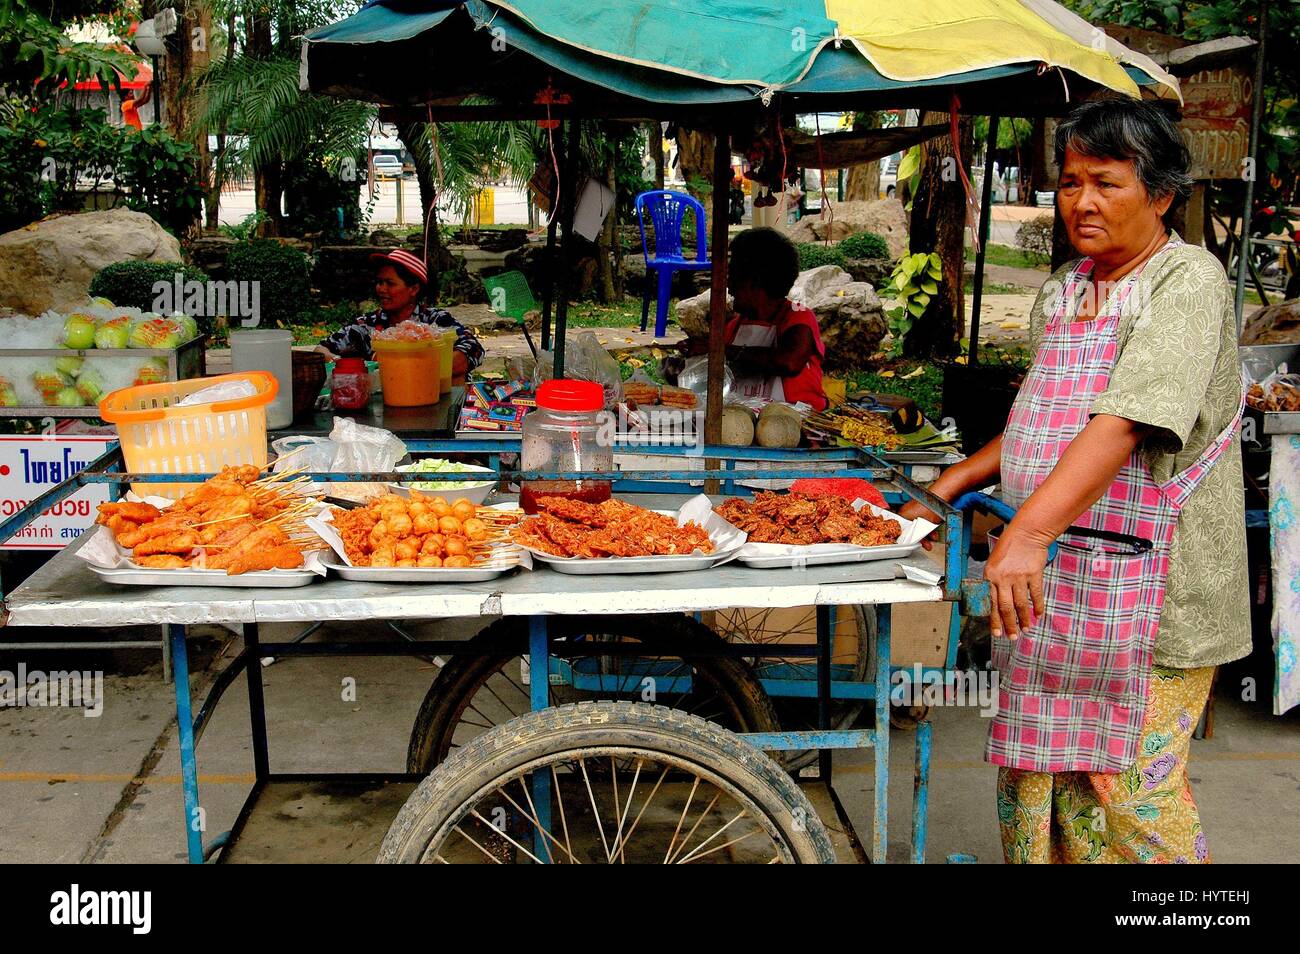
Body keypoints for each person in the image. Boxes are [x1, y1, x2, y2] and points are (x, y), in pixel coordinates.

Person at [900, 98, 1249, 864]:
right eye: (1068, 182)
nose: (1081, 202)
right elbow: (1045, 417)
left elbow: (1125, 421)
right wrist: (952, 480)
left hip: (1157, 592)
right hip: (1057, 580)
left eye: (1106, 182)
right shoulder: (1066, 286)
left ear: (1160, 195)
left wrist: (1024, 533)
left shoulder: (1186, 280)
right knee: (1038, 785)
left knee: (1129, 795)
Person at [317, 248, 483, 380]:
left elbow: (474, 349)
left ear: (413, 289)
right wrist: (345, 365)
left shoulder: (435, 321)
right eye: (379, 282)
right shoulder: (367, 325)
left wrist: (408, 367)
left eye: (389, 283)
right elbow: (320, 351)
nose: (381, 289)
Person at [719, 226, 827, 411]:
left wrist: (720, 350)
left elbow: (789, 362)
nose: (728, 285)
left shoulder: (798, 315)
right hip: (743, 426)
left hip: (799, 425)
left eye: (733, 276)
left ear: (755, 280)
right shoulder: (734, 326)